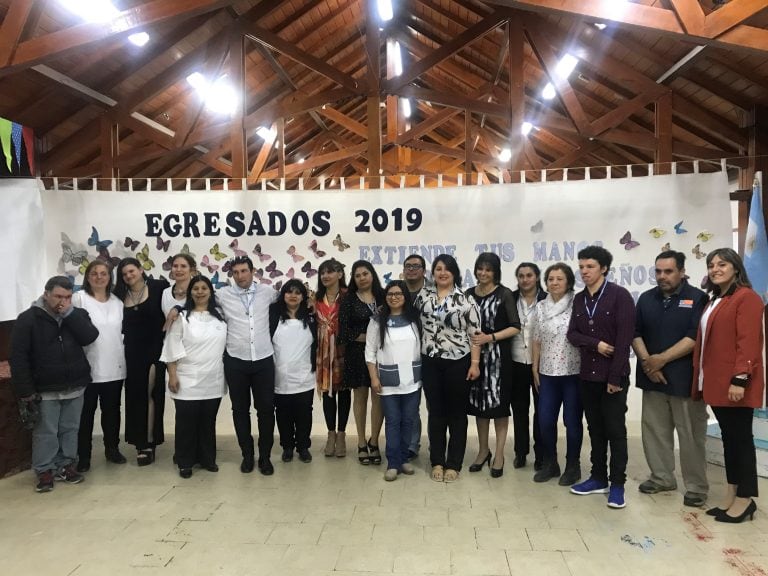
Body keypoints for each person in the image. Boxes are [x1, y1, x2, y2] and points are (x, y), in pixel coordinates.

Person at [693, 248, 765, 523]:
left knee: (740, 441)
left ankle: (746, 499)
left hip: (735, 384)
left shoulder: (746, 298)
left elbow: (748, 343)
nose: (715, 269)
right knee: (730, 440)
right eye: (711, 265)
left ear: (736, 267)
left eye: (722, 264)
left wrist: (740, 379)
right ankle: (732, 493)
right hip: (716, 383)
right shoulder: (716, 299)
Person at [632, 250, 709, 507]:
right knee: (654, 431)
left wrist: (661, 359)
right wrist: (648, 362)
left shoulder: (697, 298)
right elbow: (635, 332)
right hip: (651, 378)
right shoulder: (646, 299)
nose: (662, 276)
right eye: (658, 271)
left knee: (690, 435)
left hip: (684, 379)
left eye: (668, 271)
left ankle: (696, 486)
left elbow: (694, 337)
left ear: (682, 271)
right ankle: (662, 477)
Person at [10, 276, 99, 492]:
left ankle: (67, 465)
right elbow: (19, 357)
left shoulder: (76, 314)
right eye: (59, 296)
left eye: (68, 297)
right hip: (45, 388)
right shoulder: (28, 319)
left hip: (75, 385)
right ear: (46, 294)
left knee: (70, 428)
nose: (63, 301)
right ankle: (45, 470)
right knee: (46, 432)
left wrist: (69, 315)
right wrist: (26, 391)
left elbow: (89, 336)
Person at [567, 245, 635, 509]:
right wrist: (596, 344)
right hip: (588, 375)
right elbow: (573, 334)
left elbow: (624, 339)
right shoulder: (579, 299)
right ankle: (598, 477)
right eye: (582, 266)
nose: (584, 271)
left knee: (615, 431)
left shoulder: (620, 296)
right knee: (594, 429)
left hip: (613, 377)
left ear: (604, 268)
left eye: (590, 266)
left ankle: (617, 484)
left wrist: (615, 378)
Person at [415, 254, 481, 482]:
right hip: (430, 361)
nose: (442, 273)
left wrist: (475, 364)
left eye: (447, 269)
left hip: (458, 362)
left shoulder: (465, 299)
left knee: (456, 414)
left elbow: (475, 334)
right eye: (438, 268)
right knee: (436, 413)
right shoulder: (423, 296)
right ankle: (437, 461)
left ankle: (454, 463)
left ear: (454, 273)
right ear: (433, 272)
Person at [216, 255, 278, 475]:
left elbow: (292, 299)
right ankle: (247, 455)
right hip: (236, 361)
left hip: (263, 360)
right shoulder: (222, 295)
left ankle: (265, 456)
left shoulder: (268, 292)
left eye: (244, 271)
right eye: (236, 272)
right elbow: (197, 300)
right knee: (240, 410)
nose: (240, 276)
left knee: (266, 411)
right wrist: (177, 309)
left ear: (253, 271)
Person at [160, 275, 227, 479]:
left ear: (210, 291)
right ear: (190, 292)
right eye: (195, 288)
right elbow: (171, 346)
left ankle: (207, 459)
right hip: (186, 379)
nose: (200, 291)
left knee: (208, 422)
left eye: (204, 288)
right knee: (186, 423)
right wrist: (172, 375)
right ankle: (185, 461)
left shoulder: (220, 316)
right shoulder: (182, 317)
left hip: (213, 379)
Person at [465, 253, 521, 478]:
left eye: (488, 269)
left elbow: (515, 326)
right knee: (479, 405)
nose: (483, 273)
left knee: (498, 407)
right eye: (480, 268)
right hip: (474, 359)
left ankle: (499, 454)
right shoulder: (469, 294)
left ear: (495, 272)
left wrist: (491, 337)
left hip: (499, 359)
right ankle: (482, 451)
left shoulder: (504, 294)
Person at [531, 262, 583, 485]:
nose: (554, 283)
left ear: (569, 281)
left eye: (559, 279)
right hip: (547, 373)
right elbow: (536, 338)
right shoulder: (541, 307)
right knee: (545, 420)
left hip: (573, 373)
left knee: (572, 422)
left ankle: (573, 466)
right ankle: (551, 463)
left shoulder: (578, 303)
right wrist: (535, 366)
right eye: (550, 279)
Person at [73, 261, 127, 473]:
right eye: (94, 273)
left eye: (103, 274)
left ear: (109, 277)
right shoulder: (79, 299)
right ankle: (83, 456)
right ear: (87, 277)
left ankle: (112, 449)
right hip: (87, 368)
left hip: (114, 367)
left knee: (112, 413)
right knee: (85, 415)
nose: (99, 277)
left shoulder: (117, 302)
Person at [115, 257, 169, 466]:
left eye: (131, 271)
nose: (129, 275)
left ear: (140, 269)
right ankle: (139, 442)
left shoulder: (158, 287)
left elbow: (176, 302)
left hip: (154, 351)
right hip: (131, 353)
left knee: (150, 393)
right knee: (135, 396)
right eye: (124, 274)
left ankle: (149, 443)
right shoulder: (119, 295)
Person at [366, 280, 422, 481]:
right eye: (390, 294)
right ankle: (392, 462)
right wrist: (374, 377)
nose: (394, 297)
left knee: (408, 420)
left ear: (405, 296)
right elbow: (370, 352)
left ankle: (404, 458)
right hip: (387, 381)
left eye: (398, 293)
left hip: (412, 380)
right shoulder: (377, 320)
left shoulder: (414, 318)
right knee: (392, 422)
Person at [339, 260, 385, 465]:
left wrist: (376, 342)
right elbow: (344, 332)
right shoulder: (348, 300)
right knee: (359, 398)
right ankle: (360, 442)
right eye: (357, 275)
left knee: (379, 398)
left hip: (382, 356)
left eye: (365, 273)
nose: (362, 278)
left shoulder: (384, 296)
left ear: (372, 274)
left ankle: (374, 441)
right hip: (357, 355)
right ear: (353, 279)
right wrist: (370, 338)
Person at [270, 280, 317, 464]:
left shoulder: (312, 317)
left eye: (298, 292)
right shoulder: (273, 316)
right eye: (289, 292)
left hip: (305, 374)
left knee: (304, 413)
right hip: (279, 374)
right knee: (283, 414)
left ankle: (303, 447)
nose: (293, 295)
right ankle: (287, 447)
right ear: (283, 295)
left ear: (303, 296)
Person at [510, 262, 546, 469]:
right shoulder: (511, 298)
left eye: (529, 275)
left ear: (536, 277)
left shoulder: (548, 300)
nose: (525, 279)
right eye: (521, 275)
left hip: (540, 364)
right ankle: (520, 452)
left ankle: (541, 454)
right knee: (520, 410)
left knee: (541, 410)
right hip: (516, 361)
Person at [315, 258, 350, 458]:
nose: (326, 276)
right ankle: (330, 434)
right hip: (323, 351)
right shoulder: (316, 298)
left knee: (344, 393)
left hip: (343, 350)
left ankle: (342, 435)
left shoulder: (348, 296)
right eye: (322, 273)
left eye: (330, 272)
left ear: (340, 274)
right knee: (328, 393)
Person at [403, 254, 430, 460]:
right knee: (409, 404)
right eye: (408, 266)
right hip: (402, 356)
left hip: (429, 355)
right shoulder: (396, 292)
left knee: (434, 404)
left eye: (416, 266)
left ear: (423, 270)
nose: (411, 270)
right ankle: (412, 444)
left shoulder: (433, 292)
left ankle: (437, 444)